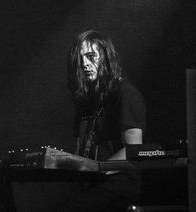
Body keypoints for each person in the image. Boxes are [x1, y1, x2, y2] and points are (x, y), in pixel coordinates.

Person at [60, 30, 146, 212]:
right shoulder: (86, 102)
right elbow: (80, 149)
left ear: (106, 58)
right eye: (80, 59)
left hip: (118, 185)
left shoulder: (124, 93)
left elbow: (135, 150)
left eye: (91, 56)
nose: (84, 64)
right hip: (93, 184)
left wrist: (98, 168)